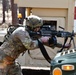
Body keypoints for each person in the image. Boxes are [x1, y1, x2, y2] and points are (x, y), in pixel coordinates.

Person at [0, 15, 71, 75]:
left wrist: (63, 46)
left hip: (10, 61)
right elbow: (30, 45)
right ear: (32, 26)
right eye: (38, 27)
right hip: (2, 59)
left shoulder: (32, 33)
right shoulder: (21, 32)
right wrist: (41, 40)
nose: (39, 29)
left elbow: (45, 42)